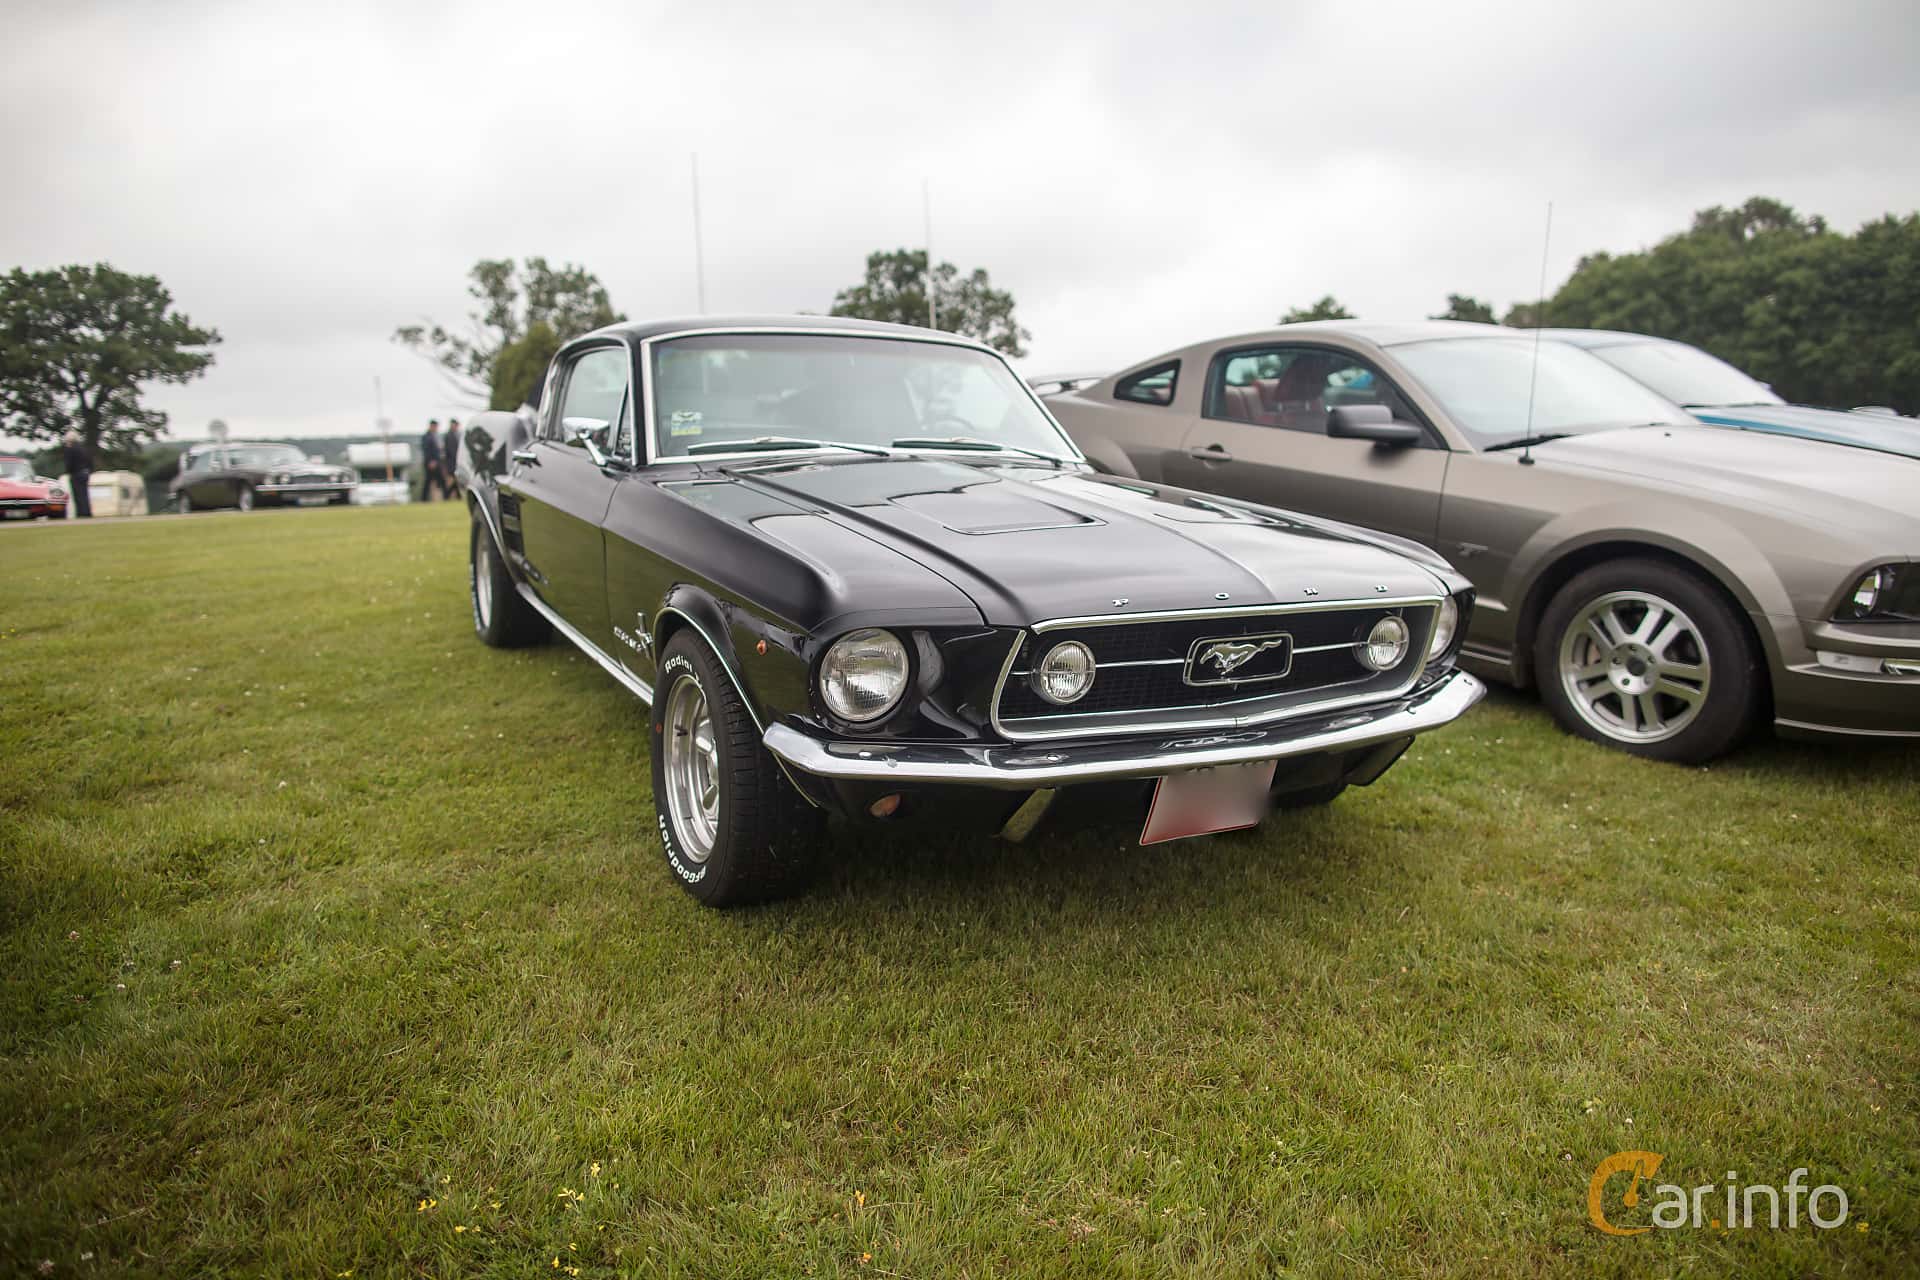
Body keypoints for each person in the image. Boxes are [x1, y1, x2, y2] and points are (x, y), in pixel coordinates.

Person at [62, 431, 93, 519]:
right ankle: (87, 512)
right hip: (85, 473)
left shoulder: (70, 449)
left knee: (78, 495)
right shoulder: (83, 448)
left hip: (76, 473)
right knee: (84, 494)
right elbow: (90, 461)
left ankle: (81, 513)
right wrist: (89, 470)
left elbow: (69, 463)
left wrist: (68, 472)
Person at [418, 419, 441, 502]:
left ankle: (445, 496)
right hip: (430, 463)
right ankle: (423, 499)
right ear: (432, 426)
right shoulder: (427, 436)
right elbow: (426, 450)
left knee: (438, 481)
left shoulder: (435, 436)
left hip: (436, 462)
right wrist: (431, 461)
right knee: (428, 481)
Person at [441, 418, 461, 497]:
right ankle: (448, 494)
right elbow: (449, 451)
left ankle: (453, 495)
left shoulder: (456, 435)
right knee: (456, 479)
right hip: (452, 462)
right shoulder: (449, 436)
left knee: (456, 479)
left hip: (455, 462)